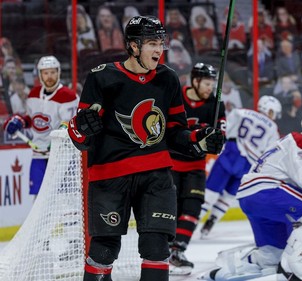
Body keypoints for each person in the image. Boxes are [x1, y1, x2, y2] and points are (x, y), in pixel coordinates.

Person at [66, 16, 224, 281]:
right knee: (104, 250)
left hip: (156, 175)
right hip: (109, 177)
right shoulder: (102, 77)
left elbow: (175, 132)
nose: (159, 50)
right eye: (152, 43)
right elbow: (82, 137)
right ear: (133, 46)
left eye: (161, 43)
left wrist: (199, 140)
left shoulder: (168, 78)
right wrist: (81, 127)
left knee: (156, 247)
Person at [203, 108, 302, 281]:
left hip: (252, 196)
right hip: (267, 191)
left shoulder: (291, 142)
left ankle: (224, 270)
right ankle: (293, 268)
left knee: (271, 255)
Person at [168, 63, 226, 276]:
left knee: (192, 208)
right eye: (207, 84)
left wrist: (216, 138)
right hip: (171, 163)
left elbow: (222, 138)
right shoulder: (176, 97)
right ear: (195, 81)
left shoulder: (216, 105)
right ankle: (164, 249)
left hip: (195, 166)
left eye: (212, 84)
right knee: (171, 207)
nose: (210, 88)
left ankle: (178, 251)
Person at [199, 96, 282, 238]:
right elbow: (270, 153)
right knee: (228, 196)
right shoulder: (273, 128)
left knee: (210, 193)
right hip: (248, 166)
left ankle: (192, 222)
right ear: (269, 110)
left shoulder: (241, 112)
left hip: (231, 153)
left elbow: (225, 129)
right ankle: (210, 224)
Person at [3, 55, 79, 197]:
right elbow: (30, 119)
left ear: (59, 72)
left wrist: (57, 141)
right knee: (38, 198)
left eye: (52, 72)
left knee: (65, 197)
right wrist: (18, 121)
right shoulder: (33, 94)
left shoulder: (68, 96)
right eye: (45, 73)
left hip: (61, 156)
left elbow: (70, 123)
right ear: (40, 74)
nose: (49, 76)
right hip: (38, 154)